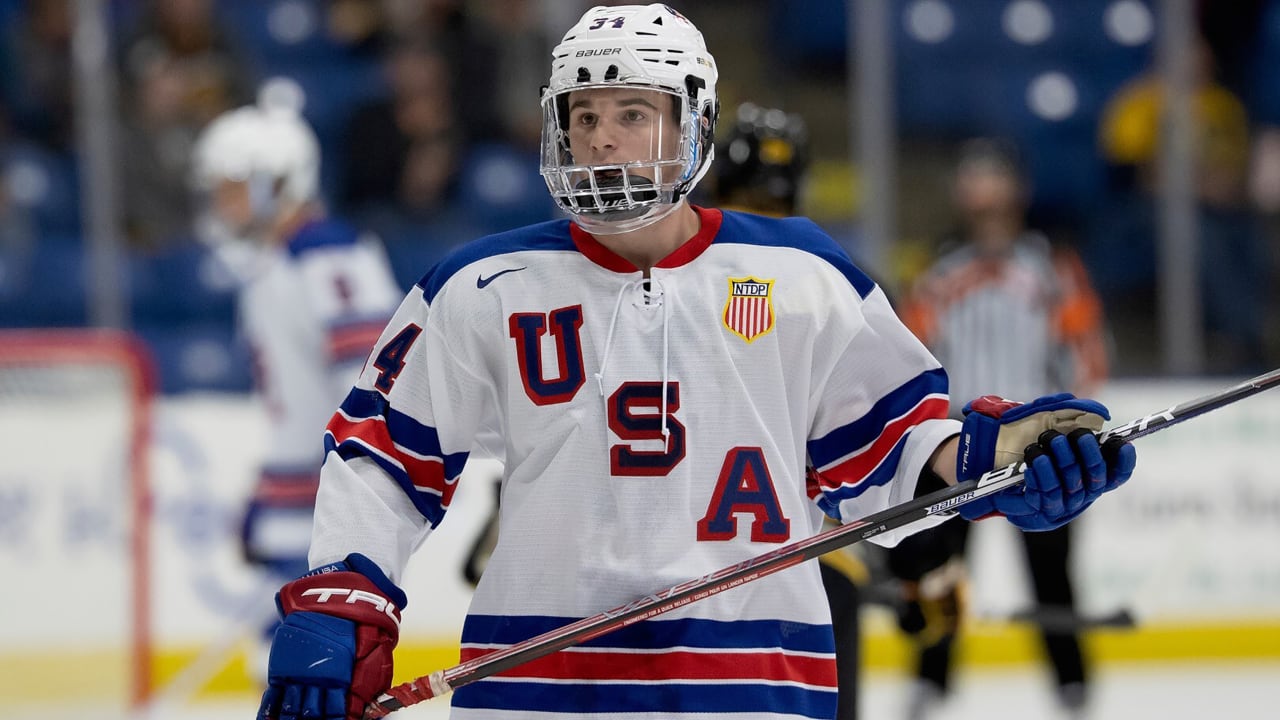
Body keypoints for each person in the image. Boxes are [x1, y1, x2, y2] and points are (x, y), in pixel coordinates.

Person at [254, 6, 1136, 720]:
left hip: (753, 690)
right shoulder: (482, 284)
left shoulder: (804, 275)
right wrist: (345, 594)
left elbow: (890, 453)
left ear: (693, 123)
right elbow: (381, 455)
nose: (603, 140)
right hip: (539, 694)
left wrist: (996, 460)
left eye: (633, 114)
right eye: (584, 117)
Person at [897, 137, 1112, 719]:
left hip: (1039, 440)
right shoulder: (938, 271)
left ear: (1018, 188)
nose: (983, 189)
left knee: (1052, 565)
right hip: (957, 444)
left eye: (994, 176)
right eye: (974, 177)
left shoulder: (1051, 268)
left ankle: (1071, 680)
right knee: (941, 565)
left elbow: (1085, 349)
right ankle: (931, 678)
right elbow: (912, 355)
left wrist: (1072, 416)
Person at [189, 94, 403, 662]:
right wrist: (270, 494)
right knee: (283, 671)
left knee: (304, 672)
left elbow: (370, 390)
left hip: (328, 508)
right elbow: (299, 404)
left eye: (234, 186)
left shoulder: (328, 257)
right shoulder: (277, 263)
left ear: (278, 181)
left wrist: (345, 503)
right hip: (301, 501)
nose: (222, 202)